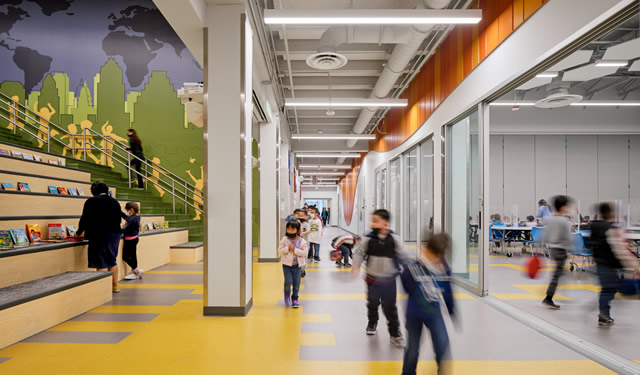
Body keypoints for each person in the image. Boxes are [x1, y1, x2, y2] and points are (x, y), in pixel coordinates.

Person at [401, 233, 456, 375]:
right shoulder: (415, 267)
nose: (432, 259)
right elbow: (407, 285)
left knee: (442, 345)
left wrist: (451, 310)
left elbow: (448, 291)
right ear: (426, 251)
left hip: (434, 314)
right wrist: (420, 263)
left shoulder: (444, 269)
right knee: (412, 350)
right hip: (414, 314)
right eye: (430, 255)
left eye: (436, 257)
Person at [352, 209, 407, 347]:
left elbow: (403, 255)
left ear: (385, 223)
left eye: (376, 221)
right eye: (372, 221)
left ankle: (395, 333)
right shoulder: (368, 239)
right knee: (372, 302)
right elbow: (358, 253)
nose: (373, 224)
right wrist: (356, 265)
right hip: (372, 279)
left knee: (390, 307)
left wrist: (408, 267)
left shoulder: (394, 239)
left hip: (389, 280)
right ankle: (372, 322)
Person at [591, 203, 638, 327]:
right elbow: (620, 251)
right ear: (611, 213)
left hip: (600, 263)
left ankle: (603, 312)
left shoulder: (594, 226)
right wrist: (635, 267)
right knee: (608, 289)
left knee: (608, 289)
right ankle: (603, 314)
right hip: (610, 264)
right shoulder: (611, 229)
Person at [77, 181, 127, 293]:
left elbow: (84, 218)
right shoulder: (114, 201)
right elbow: (120, 217)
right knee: (111, 260)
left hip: (98, 234)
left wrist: (78, 232)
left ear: (93, 191)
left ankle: (102, 289)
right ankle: (115, 286)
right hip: (115, 234)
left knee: (100, 261)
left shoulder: (91, 201)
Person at [542, 195, 573, 310]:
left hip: (552, 249)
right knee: (557, 274)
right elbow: (568, 238)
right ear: (564, 207)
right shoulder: (564, 221)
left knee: (558, 273)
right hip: (561, 250)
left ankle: (554, 292)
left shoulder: (549, 219)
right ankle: (549, 297)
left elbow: (545, 235)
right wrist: (570, 249)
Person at [278, 220, 308, 308]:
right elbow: (280, 251)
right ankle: (287, 296)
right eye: (288, 229)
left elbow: (304, 253)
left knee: (296, 283)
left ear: (297, 230)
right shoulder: (284, 240)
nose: (290, 231)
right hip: (286, 266)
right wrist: (288, 248)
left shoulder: (302, 241)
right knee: (288, 281)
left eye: (293, 229)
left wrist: (294, 249)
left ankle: (295, 298)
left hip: (297, 266)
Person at [123, 202, 144, 280]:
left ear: (131, 210)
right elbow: (126, 217)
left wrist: (117, 230)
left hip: (130, 240)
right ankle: (134, 272)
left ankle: (137, 270)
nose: (127, 212)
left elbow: (126, 230)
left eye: (127, 211)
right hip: (133, 239)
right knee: (133, 257)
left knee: (125, 256)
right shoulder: (136, 216)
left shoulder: (133, 219)